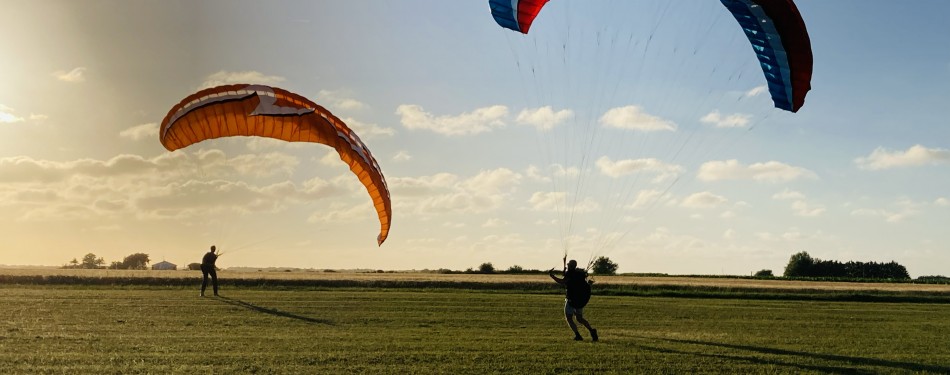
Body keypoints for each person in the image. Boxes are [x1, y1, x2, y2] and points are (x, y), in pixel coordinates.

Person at [549, 258, 598, 341]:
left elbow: (562, 281)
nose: (567, 265)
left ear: (571, 266)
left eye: (568, 265)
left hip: (571, 299)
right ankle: (592, 331)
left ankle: (578, 335)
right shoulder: (580, 273)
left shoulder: (570, 274)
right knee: (579, 318)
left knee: (569, 318)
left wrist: (552, 276)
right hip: (580, 299)